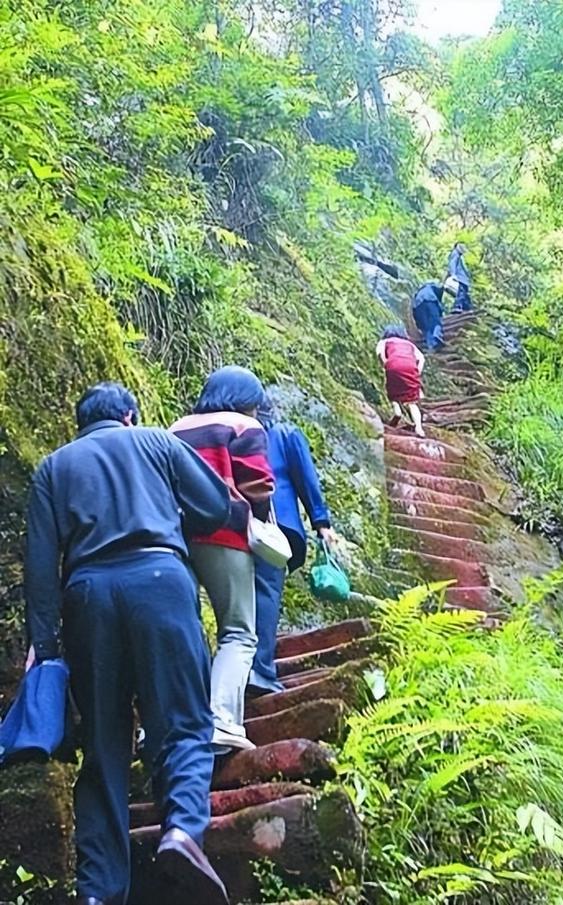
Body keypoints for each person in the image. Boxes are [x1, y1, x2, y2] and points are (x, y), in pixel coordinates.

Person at [24, 382, 231, 905]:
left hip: (88, 595)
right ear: (130, 415)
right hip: (160, 580)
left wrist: (45, 646)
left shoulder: (53, 468)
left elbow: (40, 566)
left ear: (81, 425)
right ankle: (183, 829)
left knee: (103, 744)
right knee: (184, 721)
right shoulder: (157, 444)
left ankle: (99, 889)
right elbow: (213, 506)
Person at [170, 366, 274, 753]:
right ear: (247, 398)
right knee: (239, 631)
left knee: (187, 628)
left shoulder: (177, 427)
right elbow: (258, 484)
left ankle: (175, 719)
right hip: (226, 533)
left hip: (176, 536)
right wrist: (261, 520)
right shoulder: (243, 427)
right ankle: (222, 720)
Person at [248, 402, 334, 695]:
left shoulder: (244, 435)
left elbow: (306, 480)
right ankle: (259, 668)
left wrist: (321, 522)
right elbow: (306, 479)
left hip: (255, 527)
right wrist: (321, 523)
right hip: (268, 527)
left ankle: (253, 667)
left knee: (254, 596)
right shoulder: (281, 434)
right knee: (265, 593)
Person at [376, 325, 426, 437]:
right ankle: (419, 428)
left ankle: (397, 412)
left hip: (392, 365)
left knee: (393, 393)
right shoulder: (410, 345)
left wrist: (385, 365)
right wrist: (417, 371)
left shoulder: (384, 342)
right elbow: (421, 358)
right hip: (411, 367)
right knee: (412, 401)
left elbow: (380, 354)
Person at [412, 280, 446, 350]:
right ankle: (437, 336)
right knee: (436, 321)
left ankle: (431, 345)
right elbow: (439, 292)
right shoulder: (432, 286)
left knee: (426, 328)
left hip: (418, 305)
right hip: (430, 300)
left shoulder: (418, 292)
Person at [446, 241, 473, 312]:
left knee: (465, 295)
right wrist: (453, 275)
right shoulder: (455, 254)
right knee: (461, 293)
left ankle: (467, 308)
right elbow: (452, 264)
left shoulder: (460, 256)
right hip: (460, 278)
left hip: (464, 279)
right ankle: (457, 307)